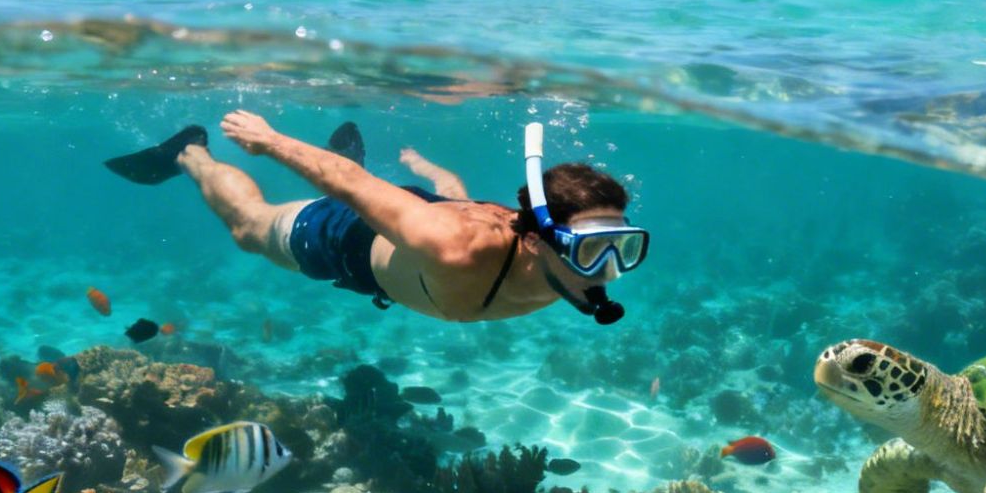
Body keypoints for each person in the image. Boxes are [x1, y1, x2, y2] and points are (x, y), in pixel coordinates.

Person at [102, 115, 647, 325]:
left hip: (416, 220)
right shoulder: (452, 245)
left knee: (402, 208)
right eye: (590, 248)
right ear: (540, 241)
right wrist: (267, 142)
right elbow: (347, 183)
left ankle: (391, 191)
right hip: (347, 242)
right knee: (249, 229)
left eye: (622, 247)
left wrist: (428, 170)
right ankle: (187, 152)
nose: (609, 271)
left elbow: (457, 201)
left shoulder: (537, 246)